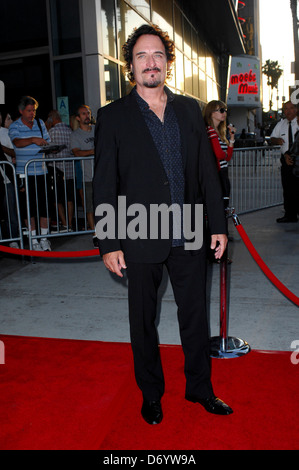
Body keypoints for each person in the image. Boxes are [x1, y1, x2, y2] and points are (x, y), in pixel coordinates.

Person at [93, 24, 233, 425]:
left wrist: (217, 224)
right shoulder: (113, 116)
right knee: (143, 322)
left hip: (189, 225)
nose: (150, 62)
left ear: (167, 63)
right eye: (141, 56)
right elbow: (104, 182)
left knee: (195, 315)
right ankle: (151, 394)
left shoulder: (190, 109)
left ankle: (200, 389)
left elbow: (206, 171)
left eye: (157, 55)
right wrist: (108, 242)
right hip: (138, 231)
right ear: (130, 66)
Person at [8, 96, 52, 251]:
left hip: (42, 171)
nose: (32, 113)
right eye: (28, 110)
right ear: (21, 111)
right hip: (25, 173)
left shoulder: (40, 123)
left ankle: (44, 239)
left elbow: (47, 140)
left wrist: (49, 146)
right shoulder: (15, 126)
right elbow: (17, 143)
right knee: (29, 208)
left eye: (33, 110)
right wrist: (33, 139)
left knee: (44, 206)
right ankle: (33, 240)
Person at [70, 105, 96, 245]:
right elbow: (76, 152)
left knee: (106, 204)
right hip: (87, 176)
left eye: (88, 113)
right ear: (78, 118)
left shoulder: (97, 130)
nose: (87, 115)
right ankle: (95, 233)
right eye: (84, 114)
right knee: (89, 206)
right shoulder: (75, 135)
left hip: (103, 175)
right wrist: (92, 151)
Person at [270, 100, 299, 223]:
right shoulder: (280, 124)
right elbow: (271, 139)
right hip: (286, 161)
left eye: (291, 108)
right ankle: (290, 215)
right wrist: (277, 140)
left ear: (296, 110)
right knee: (288, 189)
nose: (288, 111)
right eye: (286, 109)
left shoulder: (298, 123)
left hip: (298, 160)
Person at [203, 100, 235, 209]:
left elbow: (228, 157)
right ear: (211, 112)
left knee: (224, 205)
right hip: (216, 174)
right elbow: (219, 155)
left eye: (225, 110)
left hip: (223, 173)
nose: (224, 113)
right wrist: (224, 154)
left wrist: (231, 139)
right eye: (221, 110)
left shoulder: (218, 132)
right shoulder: (210, 130)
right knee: (220, 206)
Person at [46, 110, 75, 231]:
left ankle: (64, 224)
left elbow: (46, 148)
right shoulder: (70, 130)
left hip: (56, 169)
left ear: (51, 119)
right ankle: (70, 222)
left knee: (57, 198)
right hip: (69, 169)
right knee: (69, 198)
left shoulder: (51, 132)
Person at [0, 111, 19, 247]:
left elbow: (15, 152)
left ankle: (13, 241)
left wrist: (1, 148)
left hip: (6, 180)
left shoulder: (4, 132)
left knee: (10, 212)